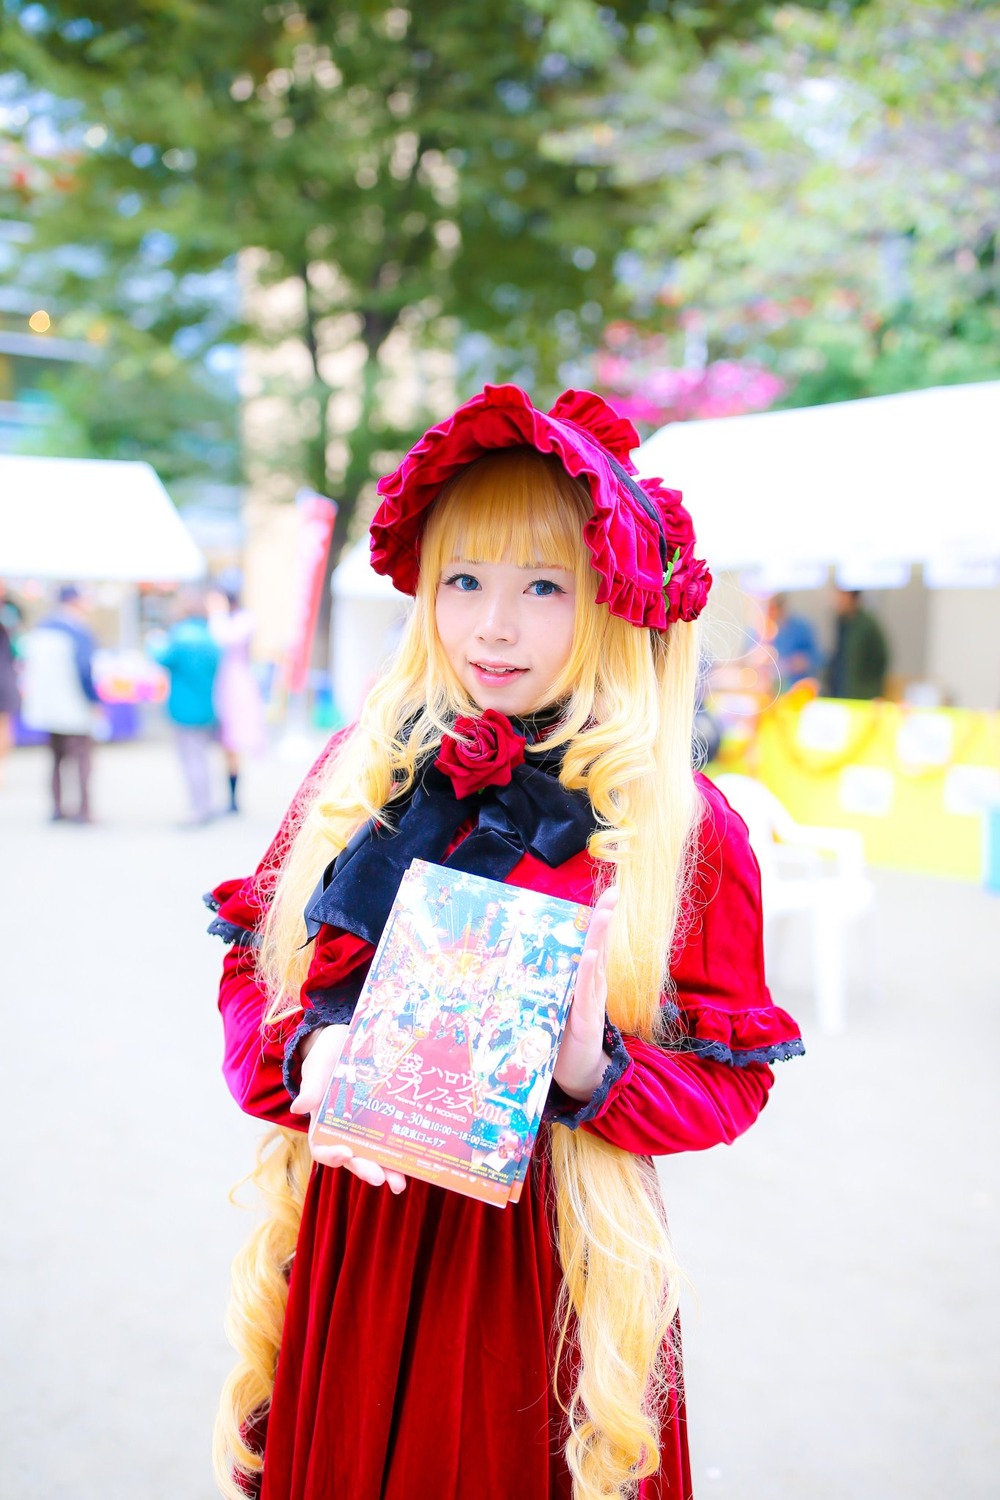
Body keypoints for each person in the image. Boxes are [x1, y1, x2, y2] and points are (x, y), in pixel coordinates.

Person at [206, 386, 804, 1500]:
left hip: (547, 1261)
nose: (491, 625)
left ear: (614, 598)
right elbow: (252, 967)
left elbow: (732, 1081)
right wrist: (311, 1061)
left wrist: (588, 1070)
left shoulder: (682, 821)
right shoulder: (364, 769)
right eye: (464, 582)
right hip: (360, 1234)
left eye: (543, 587)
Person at [19, 584, 100, 822]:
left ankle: (57, 808)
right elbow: (85, 671)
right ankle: (84, 811)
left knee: (56, 759)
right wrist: (93, 700)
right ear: (75, 601)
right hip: (73, 706)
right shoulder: (78, 631)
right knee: (81, 760)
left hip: (47, 707)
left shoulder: (40, 628)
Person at [149, 590, 222, 826]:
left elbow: (161, 658)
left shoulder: (179, 637)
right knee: (201, 757)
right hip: (206, 707)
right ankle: (206, 805)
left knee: (191, 759)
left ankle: (198, 809)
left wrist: (154, 640)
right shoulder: (210, 639)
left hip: (183, 708)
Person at [208, 576, 267, 814]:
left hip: (236, 685)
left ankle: (233, 799)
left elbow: (224, 639)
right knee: (224, 743)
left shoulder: (243, 620)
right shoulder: (225, 620)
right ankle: (226, 797)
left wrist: (217, 613)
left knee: (233, 740)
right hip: (220, 682)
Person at [824, 587, 890, 700]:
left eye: (841, 597)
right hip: (838, 691)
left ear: (852, 598)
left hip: (861, 694)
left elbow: (882, 657)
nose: (837, 601)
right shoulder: (840, 623)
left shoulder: (867, 625)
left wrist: (869, 685)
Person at [765, 593, 821, 690]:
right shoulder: (766, 629)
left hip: (799, 686)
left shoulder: (801, 627)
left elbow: (818, 656)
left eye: (773, 609)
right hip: (774, 686)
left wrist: (803, 661)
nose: (771, 613)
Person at [0, 583, 22, 781]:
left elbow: (16, 647)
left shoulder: (7, 612)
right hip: (5, 674)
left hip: (4, 675)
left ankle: (2, 770)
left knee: (4, 724)